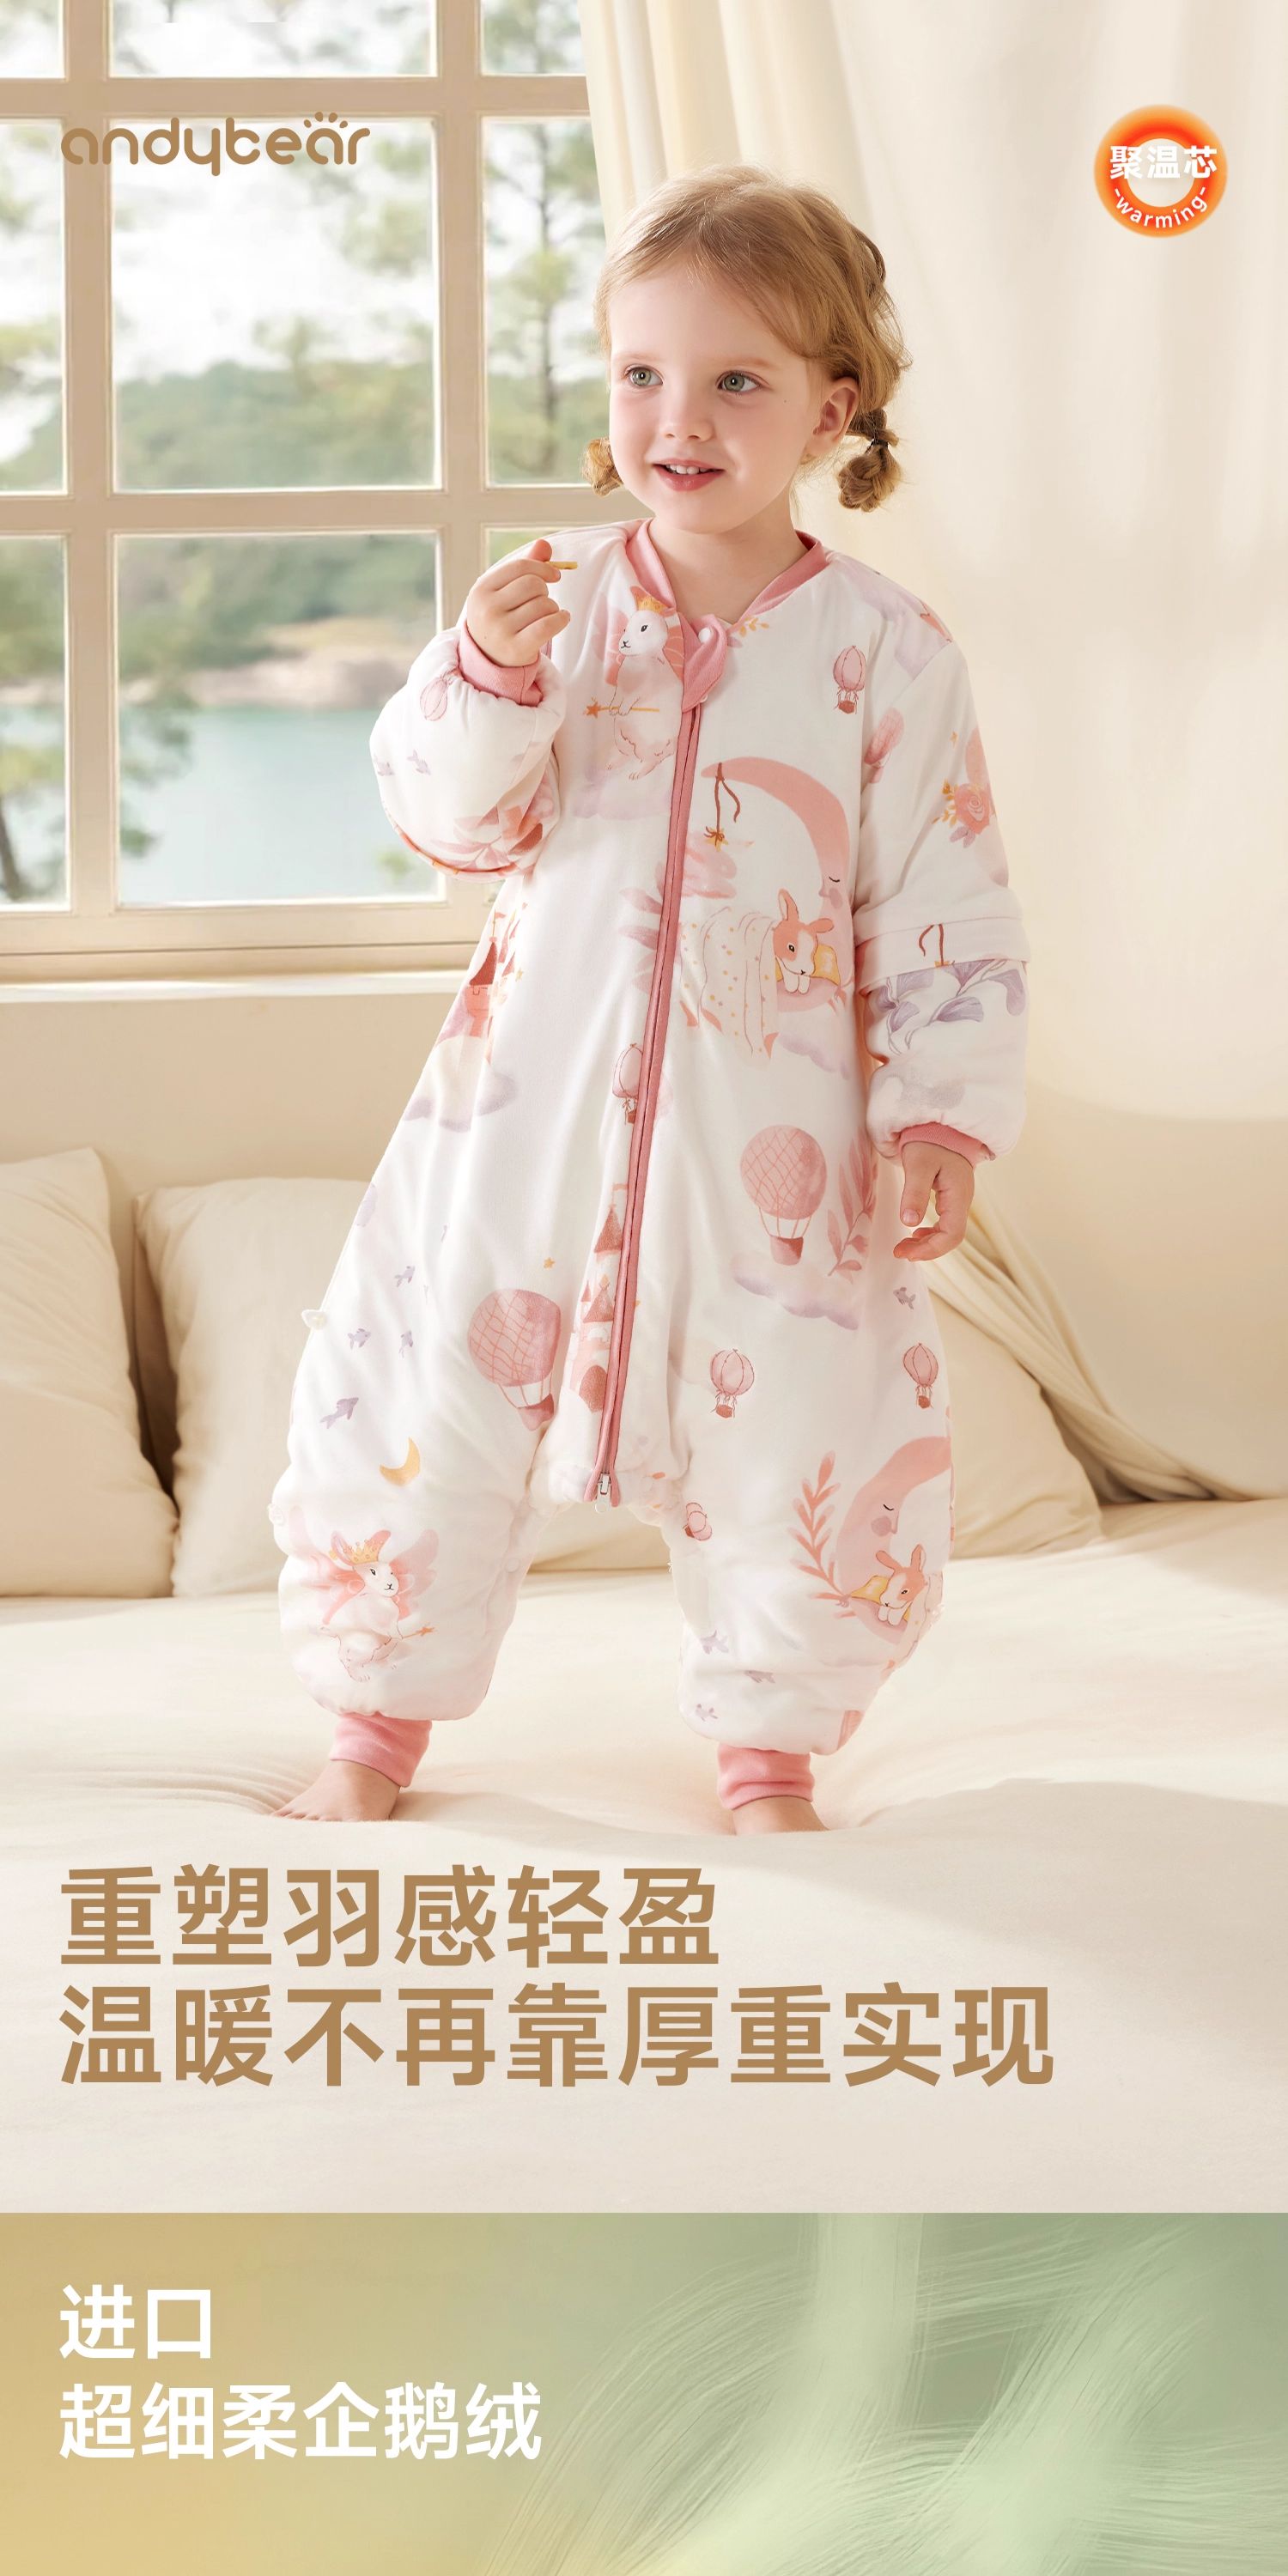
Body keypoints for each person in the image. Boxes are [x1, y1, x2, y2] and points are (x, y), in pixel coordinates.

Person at [267, 162, 1030, 1832]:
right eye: (641, 374)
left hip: (774, 1128)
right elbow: (456, 822)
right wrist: (485, 677)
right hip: (521, 1114)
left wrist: (938, 1115)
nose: (678, 418)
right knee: (430, 1392)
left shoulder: (890, 653)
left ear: (832, 407)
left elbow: (943, 898)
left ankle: (771, 1747)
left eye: (736, 380)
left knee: (801, 1429)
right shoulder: (554, 604)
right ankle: (370, 1721)